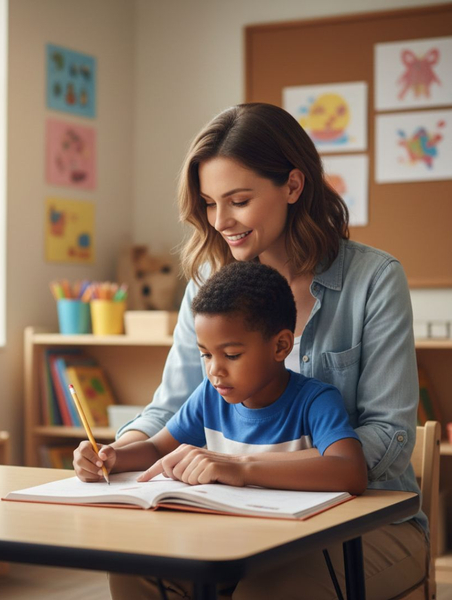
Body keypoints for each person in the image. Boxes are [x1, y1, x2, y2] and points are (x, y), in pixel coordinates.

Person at [100, 103, 426, 599]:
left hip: (364, 519)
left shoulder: (374, 279)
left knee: (267, 587)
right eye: (210, 203)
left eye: (239, 200)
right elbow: (170, 407)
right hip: (230, 511)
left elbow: (387, 433)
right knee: (136, 568)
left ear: (293, 187)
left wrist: (249, 471)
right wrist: (113, 453)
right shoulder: (208, 283)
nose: (221, 220)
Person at [75, 260, 368, 498]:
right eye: (206, 355)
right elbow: (155, 448)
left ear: (280, 346)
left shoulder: (315, 401)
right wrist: (112, 456)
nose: (215, 370)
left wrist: (241, 470)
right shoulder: (209, 396)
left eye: (231, 355)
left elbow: (351, 472)